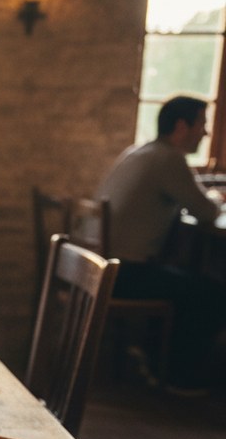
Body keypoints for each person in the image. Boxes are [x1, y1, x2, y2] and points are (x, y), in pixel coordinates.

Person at [96, 94, 225, 394]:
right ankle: (176, 375)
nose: (206, 132)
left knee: (184, 281)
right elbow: (204, 210)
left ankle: (152, 356)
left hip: (106, 267)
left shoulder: (139, 151)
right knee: (212, 294)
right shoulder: (169, 158)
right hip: (123, 274)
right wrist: (218, 199)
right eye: (202, 124)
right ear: (182, 126)